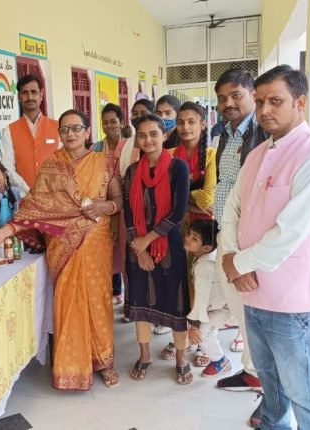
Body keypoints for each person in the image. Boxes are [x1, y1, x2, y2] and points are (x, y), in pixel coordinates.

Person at [221, 65, 310, 429]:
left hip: (294, 299)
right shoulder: (258, 153)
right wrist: (229, 257)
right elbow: (232, 209)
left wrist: (238, 263)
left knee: (303, 389)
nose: (264, 110)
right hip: (253, 290)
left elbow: (291, 232)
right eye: (260, 101)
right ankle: (274, 423)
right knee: (269, 378)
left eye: (275, 101)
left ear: (300, 102)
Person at [0, 109, 123, 390]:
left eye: (76, 128)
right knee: (68, 303)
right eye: (65, 129)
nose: (70, 134)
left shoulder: (104, 161)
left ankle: (105, 361)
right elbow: (34, 209)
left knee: (98, 302)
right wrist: (4, 231)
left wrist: (105, 206)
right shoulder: (51, 167)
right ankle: (72, 368)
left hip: (96, 244)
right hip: (63, 247)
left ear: (88, 132)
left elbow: (118, 198)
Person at [211, 70, 269, 420]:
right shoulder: (227, 133)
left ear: (251, 94)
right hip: (226, 234)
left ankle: (270, 392)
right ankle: (251, 371)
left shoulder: (262, 133)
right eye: (222, 98)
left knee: (258, 317)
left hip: (249, 241)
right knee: (241, 311)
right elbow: (225, 184)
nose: (228, 103)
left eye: (236, 95)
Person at [123, 113, 191, 384]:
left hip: (169, 246)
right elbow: (129, 214)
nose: (148, 140)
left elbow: (178, 212)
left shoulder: (178, 168)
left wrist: (147, 240)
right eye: (142, 135)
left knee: (176, 301)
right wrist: (139, 250)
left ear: (165, 135)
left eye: (154, 134)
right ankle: (145, 355)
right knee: (140, 299)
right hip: (137, 247)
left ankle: (181, 358)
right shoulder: (131, 172)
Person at [184, 220, 232, 378]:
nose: (187, 238)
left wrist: (194, 326)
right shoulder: (206, 255)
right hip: (217, 304)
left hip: (221, 308)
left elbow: (202, 298)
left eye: (194, 238)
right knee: (209, 330)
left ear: (206, 248)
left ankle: (220, 361)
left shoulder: (205, 266)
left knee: (203, 333)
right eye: (189, 234)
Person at [91, 103, 127, 305]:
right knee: (108, 249)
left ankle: (130, 299)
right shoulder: (95, 149)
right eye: (105, 122)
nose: (109, 126)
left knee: (125, 250)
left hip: (127, 204)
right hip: (104, 205)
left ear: (121, 122)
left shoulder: (130, 147)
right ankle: (114, 291)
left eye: (113, 121)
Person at [0, 75, 60, 194]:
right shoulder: (9, 130)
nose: (30, 97)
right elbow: (8, 167)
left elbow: (64, 163)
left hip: (55, 195)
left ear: (41, 95)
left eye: (34, 92)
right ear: (19, 97)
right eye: (25, 93)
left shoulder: (58, 127)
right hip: (23, 197)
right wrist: (28, 191)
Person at [170, 101, 216, 221]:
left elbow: (208, 198)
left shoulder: (211, 155)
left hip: (202, 224)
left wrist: (180, 196)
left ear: (202, 125)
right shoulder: (169, 155)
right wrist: (194, 205)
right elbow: (165, 196)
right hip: (174, 222)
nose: (185, 127)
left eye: (191, 122)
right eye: (181, 122)